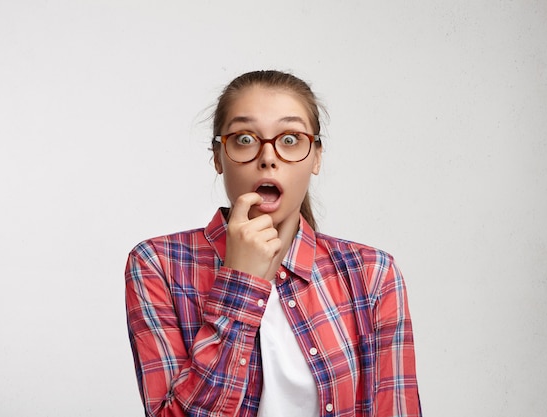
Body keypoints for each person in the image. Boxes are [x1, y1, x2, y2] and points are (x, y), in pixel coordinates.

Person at [125, 70, 422, 417]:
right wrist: (241, 282)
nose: (268, 157)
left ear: (316, 158)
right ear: (219, 157)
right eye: (246, 139)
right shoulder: (157, 264)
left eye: (291, 139)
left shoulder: (372, 273)